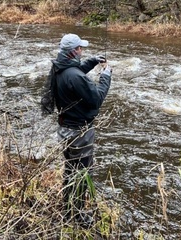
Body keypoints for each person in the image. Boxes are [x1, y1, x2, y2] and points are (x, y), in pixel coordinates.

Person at [42, 33, 112, 227]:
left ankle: (68, 208)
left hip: (64, 129)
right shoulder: (75, 76)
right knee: (82, 173)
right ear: (74, 51)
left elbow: (76, 73)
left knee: (70, 170)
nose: (82, 50)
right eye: (81, 48)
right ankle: (78, 216)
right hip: (80, 133)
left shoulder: (59, 68)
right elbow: (96, 98)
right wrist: (106, 75)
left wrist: (91, 62)